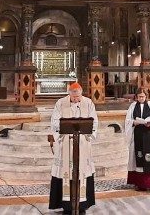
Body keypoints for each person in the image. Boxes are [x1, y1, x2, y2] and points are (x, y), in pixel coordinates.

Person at [49, 82, 98, 214]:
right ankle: (66, 206)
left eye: (78, 97)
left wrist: (89, 134)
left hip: (82, 143)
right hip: (65, 143)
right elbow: (54, 121)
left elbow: (94, 122)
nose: (76, 99)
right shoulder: (60, 103)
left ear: (81, 93)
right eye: (73, 97)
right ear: (69, 93)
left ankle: (82, 206)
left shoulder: (88, 103)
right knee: (65, 173)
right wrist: (62, 129)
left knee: (82, 172)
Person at [125, 89, 150, 192]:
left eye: (143, 96)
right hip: (137, 134)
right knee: (139, 156)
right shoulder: (132, 106)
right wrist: (134, 122)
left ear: (146, 96)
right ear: (136, 97)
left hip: (149, 135)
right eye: (139, 96)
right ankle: (140, 184)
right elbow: (128, 120)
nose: (141, 98)